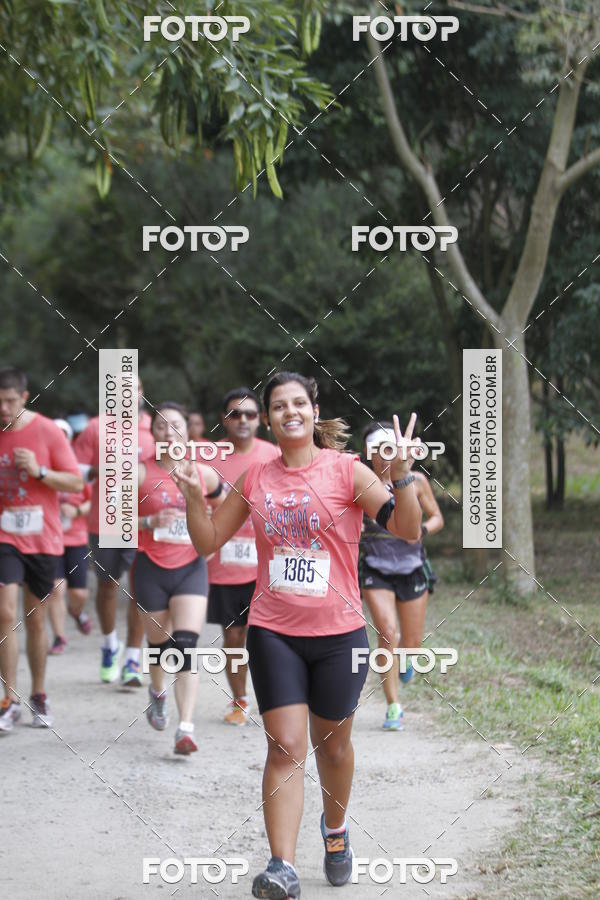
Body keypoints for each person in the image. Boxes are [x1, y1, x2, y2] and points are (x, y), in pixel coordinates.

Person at [173, 371, 422, 899]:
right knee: (285, 748)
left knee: (333, 748)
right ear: (268, 418)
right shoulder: (257, 478)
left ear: (313, 411)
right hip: (274, 632)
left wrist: (400, 477)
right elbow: (208, 542)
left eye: (299, 403)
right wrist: (195, 495)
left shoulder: (348, 471)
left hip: (339, 634)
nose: (290, 411)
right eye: (278, 405)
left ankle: (335, 833)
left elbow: (408, 529)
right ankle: (281, 865)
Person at [135, 402, 223, 754]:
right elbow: (110, 526)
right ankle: (157, 692)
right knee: (159, 648)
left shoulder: (205, 475)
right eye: (160, 426)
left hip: (190, 567)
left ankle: (185, 728)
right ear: (152, 433)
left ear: (188, 431)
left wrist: (212, 535)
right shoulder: (138, 473)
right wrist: (145, 523)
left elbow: (224, 507)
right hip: (151, 568)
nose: (168, 431)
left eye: (175, 425)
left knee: (185, 646)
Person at [0, 368, 83, 731]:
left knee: (35, 619)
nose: (3, 408)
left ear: (25, 396)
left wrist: (39, 471)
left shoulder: (47, 430)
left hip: (42, 539)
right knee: (4, 614)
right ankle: (9, 698)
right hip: (4, 537)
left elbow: (76, 481)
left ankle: (38, 693)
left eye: (9, 401)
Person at [360, 422, 444, 732]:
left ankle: (407, 660)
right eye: (378, 450)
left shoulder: (416, 480)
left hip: (411, 569)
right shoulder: (361, 483)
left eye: (390, 449)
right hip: (376, 569)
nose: (385, 456)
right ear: (369, 453)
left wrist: (419, 531)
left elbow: (437, 518)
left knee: (411, 643)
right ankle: (393, 706)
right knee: (387, 633)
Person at [74, 374, 154, 685]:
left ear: (141, 392)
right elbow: (74, 469)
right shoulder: (96, 427)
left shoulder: (153, 430)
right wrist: (99, 468)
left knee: (140, 592)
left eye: (131, 389)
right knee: (107, 588)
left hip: (144, 524)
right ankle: (110, 645)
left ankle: (132, 659)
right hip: (105, 522)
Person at [206, 387, 280, 725]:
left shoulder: (274, 455)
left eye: (250, 414)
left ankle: (277, 699)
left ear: (260, 420)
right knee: (234, 637)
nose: (243, 420)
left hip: (269, 566)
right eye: (235, 414)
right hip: (225, 568)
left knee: (266, 638)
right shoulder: (208, 457)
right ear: (224, 419)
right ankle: (239, 700)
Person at [47, 419, 92, 655]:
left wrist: (75, 511)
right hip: (50, 539)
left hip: (76, 538)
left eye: (64, 436)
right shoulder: (41, 470)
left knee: (79, 593)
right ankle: (59, 637)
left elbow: (91, 501)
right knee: (56, 589)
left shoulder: (78, 470)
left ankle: (77, 612)